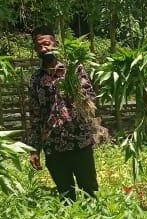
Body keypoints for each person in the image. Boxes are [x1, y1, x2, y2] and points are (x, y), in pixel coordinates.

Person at [26, 26, 99, 200]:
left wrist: (75, 91)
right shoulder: (35, 79)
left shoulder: (74, 69)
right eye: (38, 47)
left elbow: (90, 96)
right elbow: (35, 116)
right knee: (65, 193)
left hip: (79, 140)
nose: (43, 49)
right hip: (53, 145)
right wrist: (34, 149)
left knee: (89, 190)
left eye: (46, 44)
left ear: (56, 43)